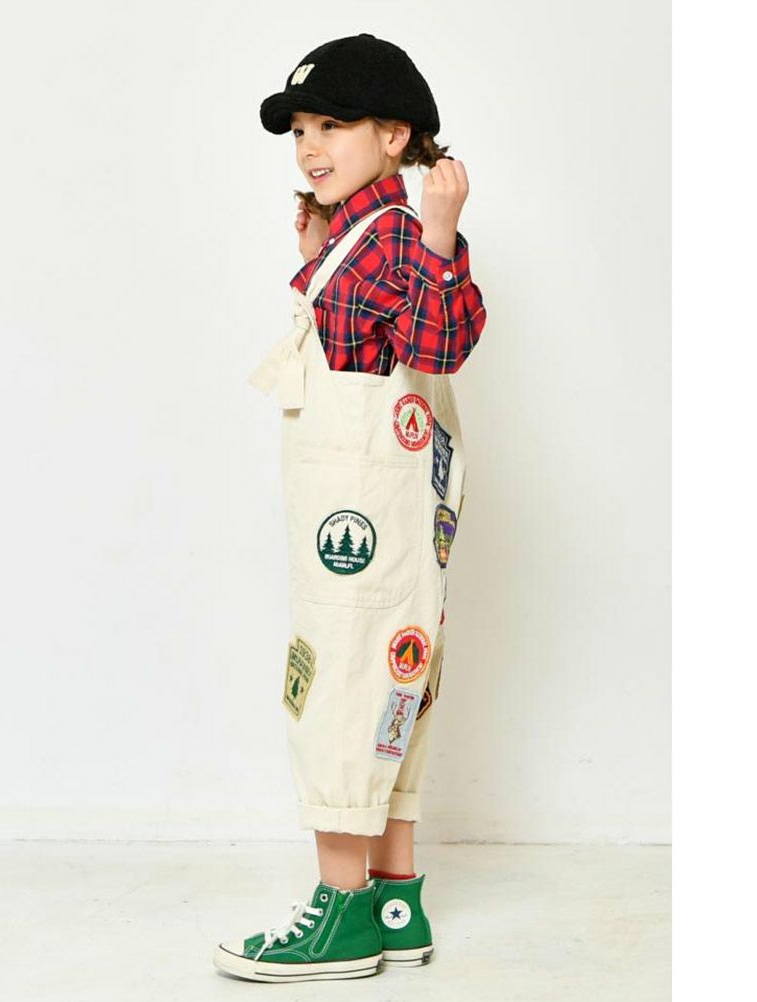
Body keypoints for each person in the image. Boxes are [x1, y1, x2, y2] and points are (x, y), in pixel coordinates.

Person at [212, 33, 487, 984]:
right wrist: (316, 256)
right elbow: (366, 341)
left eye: (332, 125)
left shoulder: (404, 232)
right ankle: (396, 900)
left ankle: (341, 915)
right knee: (390, 690)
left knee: (341, 693)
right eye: (300, 130)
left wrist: (443, 236)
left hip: (365, 528)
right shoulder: (356, 234)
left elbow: (438, 346)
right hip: (376, 517)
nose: (310, 146)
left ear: (394, 134)